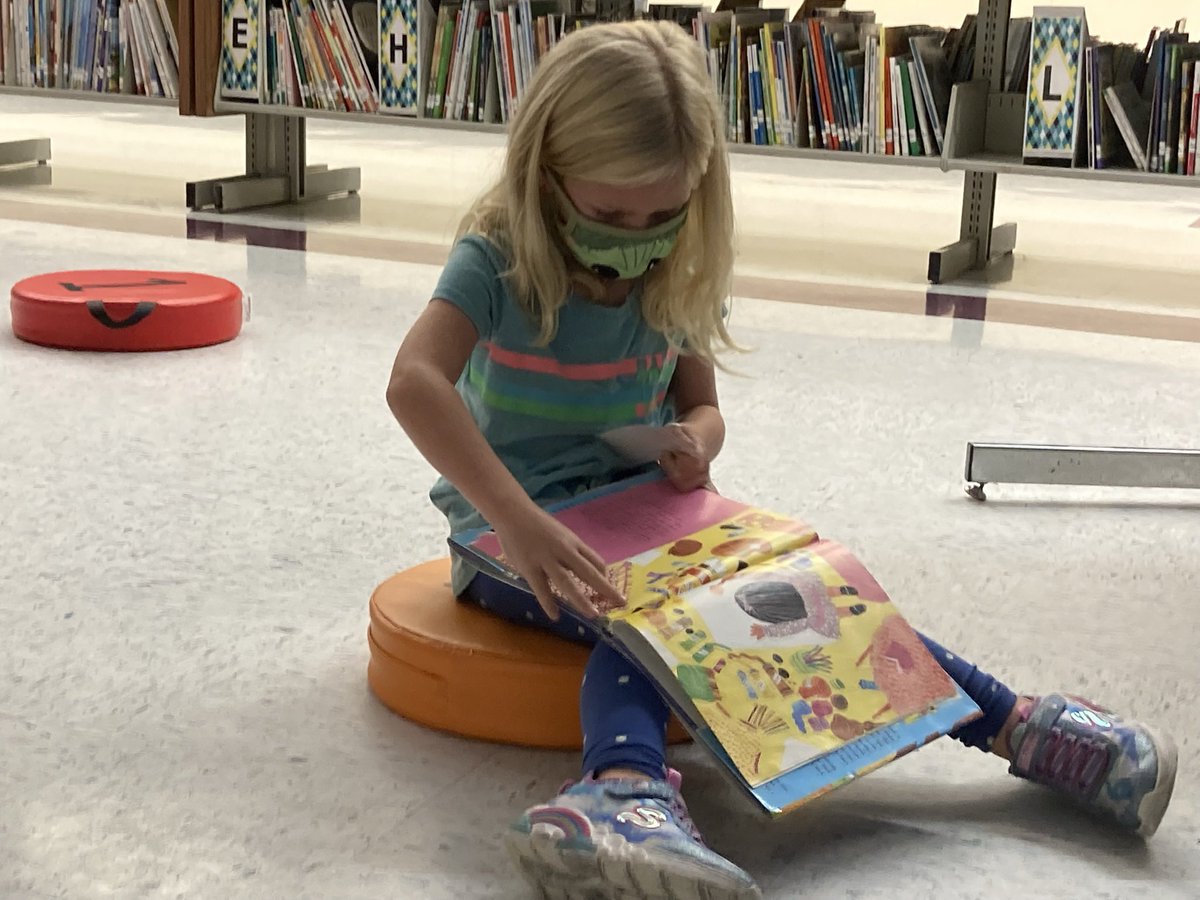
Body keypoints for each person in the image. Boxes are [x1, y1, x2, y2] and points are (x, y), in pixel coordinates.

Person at [386, 20, 1178, 900]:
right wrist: (515, 520)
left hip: (650, 506)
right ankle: (618, 793)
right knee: (649, 619)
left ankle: (1020, 727)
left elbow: (703, 406)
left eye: (662, 216)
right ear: (543, 177)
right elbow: (414, 382)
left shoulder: (667, 264)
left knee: (818, 589)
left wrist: (696, 446)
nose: (634, 240)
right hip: (516, 531)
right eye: (607, 216)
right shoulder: (497, 257)